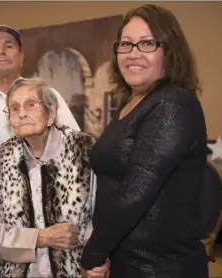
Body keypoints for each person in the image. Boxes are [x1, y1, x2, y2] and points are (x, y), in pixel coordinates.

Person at [81, 4, 209, 278]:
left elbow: (135, 192)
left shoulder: (173, 103)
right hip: (125, 257)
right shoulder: (131, 102)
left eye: (147, 43)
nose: (133, 54)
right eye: (125, 44)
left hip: (159, 266)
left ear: (169, 50)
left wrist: (94, 253)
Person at [0, 77, 109, 278]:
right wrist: (39, 239)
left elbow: (103, 218)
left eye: (31, 105)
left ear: (51, 113)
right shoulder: (5, 156)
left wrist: (99, 260)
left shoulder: (82, 149)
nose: (22, 113)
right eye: (14, 108)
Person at [0, 25, 80, 145]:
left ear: (21, 56)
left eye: (9, 46)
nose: (1, 51)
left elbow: (76, 145)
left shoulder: (49, 95)